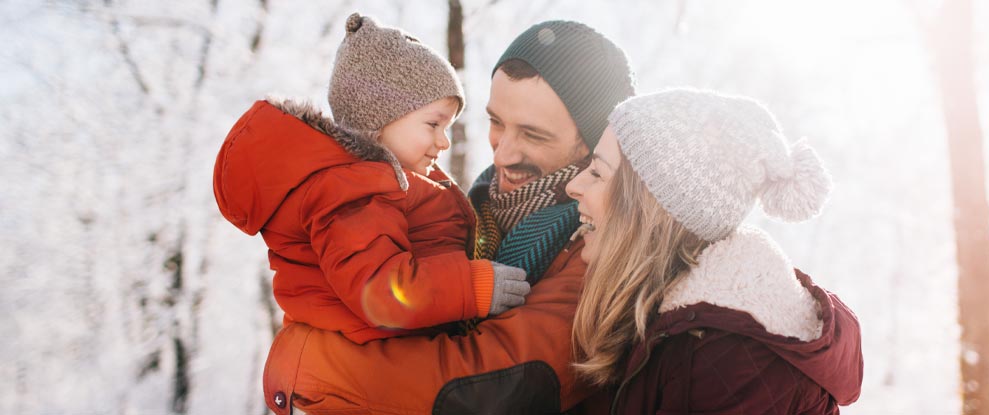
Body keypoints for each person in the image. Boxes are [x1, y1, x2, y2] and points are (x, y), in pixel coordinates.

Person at [256, 20, 637, 414]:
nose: (503, 153)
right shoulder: (473, 211)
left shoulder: (601, 247)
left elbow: (489, 390)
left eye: (534, 135)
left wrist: (307, 361)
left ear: (595, 145)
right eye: (496, 122)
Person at [213, 13, 531, 346]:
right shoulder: (352, 194)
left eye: (447, 128)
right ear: (380, 120)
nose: (444, 142)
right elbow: (380, 290)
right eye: (433, 124)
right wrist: (472, 286)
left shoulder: (385, 182)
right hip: (370, 360)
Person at [566, 89, 864, 414]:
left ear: (650, 210)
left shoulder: (732, 366)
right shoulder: (666, 325)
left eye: (597, 172)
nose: (573, 186)